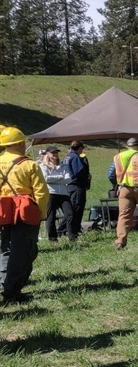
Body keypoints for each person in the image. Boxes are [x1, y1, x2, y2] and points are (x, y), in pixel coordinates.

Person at [0, 127, 48, 303]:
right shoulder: (29, 165)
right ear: (20, 144)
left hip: (2, 212)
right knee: (24, 252)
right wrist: (41, 213)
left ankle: (3, 283)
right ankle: (12, 291)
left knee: (4, 249)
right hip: (24, 213)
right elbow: (41, 193)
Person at [107, 136, 138, 249]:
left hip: (124, 189)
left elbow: (110, 174)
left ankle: (120, 241)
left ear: (127, 146)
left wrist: (116, 183)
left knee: (124, 215)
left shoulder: (118, 156)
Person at [39, 146, 73, 243]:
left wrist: (54, 179)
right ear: (47, 154)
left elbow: (68, 179)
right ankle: (53, 238)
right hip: (51, 193)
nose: (55, 154)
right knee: (51, 216)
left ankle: (72, 236)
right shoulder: (43, 166)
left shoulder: (63, 166)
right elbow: (46, 178)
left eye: (56, 152)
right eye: (53, 152)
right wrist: (61, 177)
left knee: (70, 214)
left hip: (63, 193)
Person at [62, 140, 90, 240]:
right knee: (77, 208)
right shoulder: (75, 157)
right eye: (82, 148)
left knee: (72, 208)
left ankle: (65, 229)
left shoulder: (67, 156)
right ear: (80, 148)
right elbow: (79, 171)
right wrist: (87, 177)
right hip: (77, 185)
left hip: (69, 185)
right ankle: (69, 229)